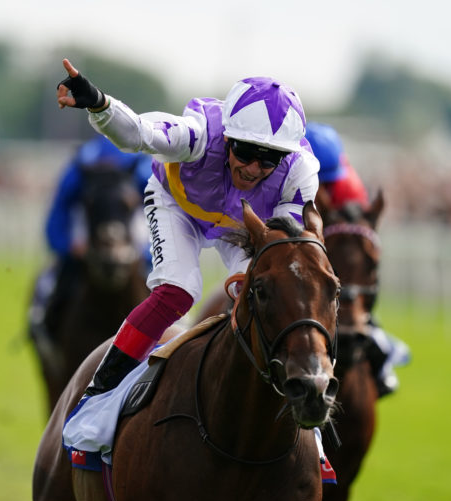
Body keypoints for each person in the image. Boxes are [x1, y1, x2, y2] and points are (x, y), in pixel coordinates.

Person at [56, 58, 321, 468]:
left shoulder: (300, 173)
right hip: (176, 206)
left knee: (274, 297)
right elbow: (138, 135)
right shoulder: (198, 135)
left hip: (242, 227)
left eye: (268, 159)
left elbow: (288, 250)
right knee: (178, 291)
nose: (253, 168)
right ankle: (98, 398)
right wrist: (98, 103)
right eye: (246, 151)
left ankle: (310, 430)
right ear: (228, 138)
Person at [305, 122, 410, 397]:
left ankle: (377, 346)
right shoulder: (278, 178)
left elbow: (357, 236)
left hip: (331, 251)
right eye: (320, 181)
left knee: (358, 270)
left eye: (329, 181)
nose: (325, 189)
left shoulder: (347, 185)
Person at [27, 135, 152, 346]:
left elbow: (164, 212)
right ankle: (45, 325)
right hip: (88, 240)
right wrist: (68, 246)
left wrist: (147, 252)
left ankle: (178, 328)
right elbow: (58, 214)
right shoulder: (81, 163)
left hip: (134, 238)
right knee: (52, 280)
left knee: (166, 283)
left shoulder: (141, 165)